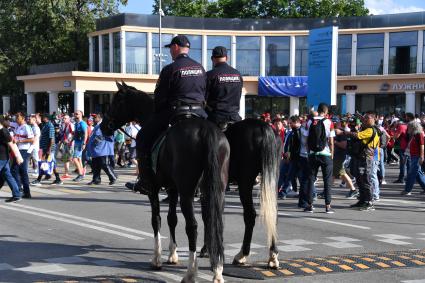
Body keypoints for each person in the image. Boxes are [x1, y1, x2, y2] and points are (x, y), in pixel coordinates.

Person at [136, 35, 208, 195]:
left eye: (170, 48)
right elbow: (205, 92)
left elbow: (160, 97)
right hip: (200, 113)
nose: (170, 51)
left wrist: (157, 111)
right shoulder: (201, 68)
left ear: (175, 47)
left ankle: (145, 181)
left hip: (177, 111)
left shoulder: (170, 69)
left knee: (142, 137)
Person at [337, 112, 380, 211]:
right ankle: (362, 200)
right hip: (360, 157)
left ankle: (369, 202)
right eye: (363, 119)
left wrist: (343, 132)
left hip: (366, 158)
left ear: (373, 119)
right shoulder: (367, 128)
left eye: (367, 119)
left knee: (365, 180)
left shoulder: (371, 130)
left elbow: (357, 135)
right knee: (360, 180)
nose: (364, 120)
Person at [306, 103, 335, 214]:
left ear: (318, 110)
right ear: (326, 112)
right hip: (326, 154)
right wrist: (332, 154)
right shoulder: (329, 122)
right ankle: (328, 206)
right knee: (327, 180)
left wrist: (309, 152)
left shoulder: (310, 121)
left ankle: (310, 205)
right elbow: (331, 141)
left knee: (311, 179)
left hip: (313, 154)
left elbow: (307, 138)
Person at [206, 46, 242, 129]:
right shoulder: (238, 74)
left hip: (216, 120)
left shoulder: (210, 75)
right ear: (227, 58)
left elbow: (204, 99)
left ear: (212, 58)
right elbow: (238, 96)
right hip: (235, 118)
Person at [31, 114, 62, 185]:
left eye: (42, 117)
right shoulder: (46, 125)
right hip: (45, 148)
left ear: (46, 118)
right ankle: (57, 179)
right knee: (50, 163)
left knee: (43, 163)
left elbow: (52, 139)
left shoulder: (50, 126)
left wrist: (49, 150)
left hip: (48, 149)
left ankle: (39, 179)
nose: (42, 118)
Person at [87, 114, 117, 185]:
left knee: (104, 164)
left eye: (95, 117)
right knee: (95, 166)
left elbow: (100, 137)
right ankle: (96, 179)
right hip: (96, 151)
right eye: (92, 117)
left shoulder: (102, 126)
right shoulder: (97, 126)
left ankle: (113, 177)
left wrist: (94, 144)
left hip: (102, 150)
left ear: (99, 118)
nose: (93, 119)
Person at [0, 117, 23, 202]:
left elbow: (12, 144)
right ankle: (17, 195)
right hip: (3, 158)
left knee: (8, 176)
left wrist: (17, 157)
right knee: (8, 176)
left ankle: (17, 195)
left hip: (2, 158)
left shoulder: (3, 131)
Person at [11, 112, 34, 198]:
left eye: (18, 117)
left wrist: (19, 141)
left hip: (25, 150)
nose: (16, 119)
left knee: (16, 169)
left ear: (23, 118)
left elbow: (32, 139)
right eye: (16, 117)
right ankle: (25, 191)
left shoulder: (26, 127)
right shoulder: (18, 127)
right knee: (20, 170)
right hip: (18, 150)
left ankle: (22, 190)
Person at [402, 120, 425, 195]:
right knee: (418, 174)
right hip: (414, 156)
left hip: (417, 156)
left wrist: (421, 157)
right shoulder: (414, 135)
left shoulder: (419, 134)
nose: (407, 128)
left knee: (411, 173)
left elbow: (422, 146)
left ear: (413, 127)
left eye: (409, 127)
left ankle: (407, 190)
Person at [72, 110, 88, 182]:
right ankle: (82, 174)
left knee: (75, 159)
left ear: (81, 115)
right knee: (78, 159)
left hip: (80, 143)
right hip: (76, 142)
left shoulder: (82, 123)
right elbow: (75, 134)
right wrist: (72, 140)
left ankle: (80, 174)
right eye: (75, 114)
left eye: (77, 114)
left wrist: (84, 143)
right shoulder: (76, 123)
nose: (76, 115)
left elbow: (86, 133)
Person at [59, 114, 74, 179]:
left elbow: (73, 134)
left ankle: (81, 171)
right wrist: (61, 141)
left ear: (69, 119)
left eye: (65, 118)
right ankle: (66, 173)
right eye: (63, 118)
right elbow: (63, 134)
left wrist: (69, 140)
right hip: (65, 144)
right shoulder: (64, 125)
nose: (64, 119)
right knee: (66, 159)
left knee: (73, 159)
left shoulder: (71, 125)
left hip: (70, 144)